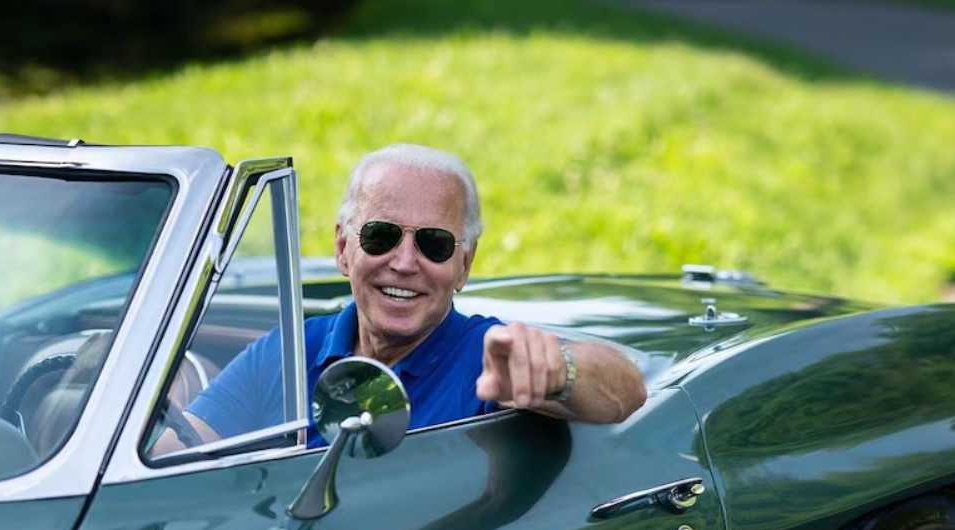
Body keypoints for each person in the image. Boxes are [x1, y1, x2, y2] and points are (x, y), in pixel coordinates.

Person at [156, 143, 646, 453]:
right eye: (381, 235)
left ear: (464, 266)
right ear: (344, 248)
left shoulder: (488, 359)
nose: (405, 262)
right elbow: (188, 447)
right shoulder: (290, 351)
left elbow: (625, 390)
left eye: (433, 243)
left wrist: (558, 373)